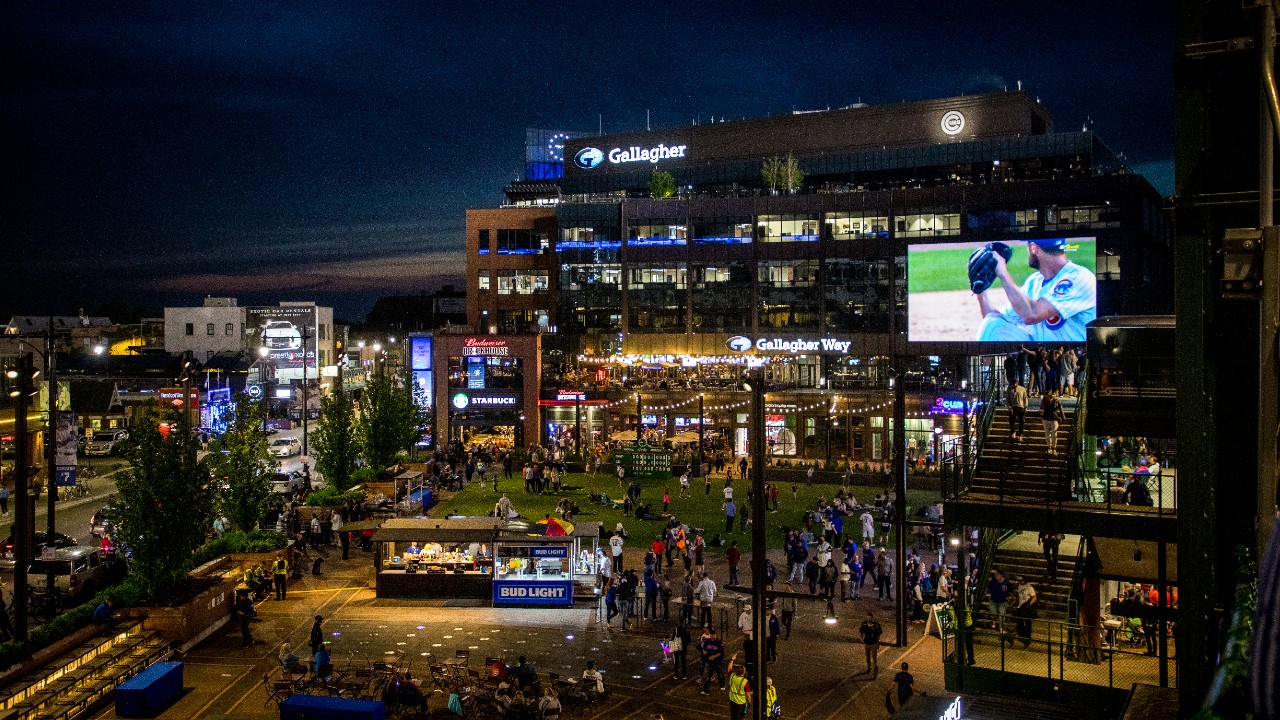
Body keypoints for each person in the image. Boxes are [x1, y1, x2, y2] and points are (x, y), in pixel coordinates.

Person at [973, 237, 1097, 343]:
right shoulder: (1034, 282)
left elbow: (1032, 314)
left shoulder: (1079, 277)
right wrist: (980, 291)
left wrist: (1003, 273)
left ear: (1034, 248)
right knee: (992, 324)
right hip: (1044, 358)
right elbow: (996, 322)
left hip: (1074, 360)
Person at [1012, 576, 1038, 648]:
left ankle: (1027, 637)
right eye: (1019, 581)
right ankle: (1022, 635)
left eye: (1021, 581)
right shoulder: (1019, 586)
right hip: (1020, 606)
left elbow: (1034, 597)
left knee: (1027, 622)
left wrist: (1029, 605)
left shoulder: (1029, 587)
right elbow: (1019, 596)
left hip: (1026, 607)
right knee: (1019, 620)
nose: (1019, 582)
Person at [700, 628, 726, 695]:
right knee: (707, 676)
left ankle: (722, 685)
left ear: (716, 635)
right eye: (711, 634)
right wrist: (705, 652)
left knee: (720, 675)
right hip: (709, 662)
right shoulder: (707, 641)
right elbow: (704, 649)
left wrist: (714, 656)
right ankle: (706, 690)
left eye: (713, 635)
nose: (712, 636)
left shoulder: (719, 643)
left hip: (717, 662)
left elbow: (721, 653)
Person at [1040, 390, 1067, 455]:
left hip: (1054, 418)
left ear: (1050, 396)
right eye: (1045, 397)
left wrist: (1063, 418)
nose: (1046, 398)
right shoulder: (1044, 401)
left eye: (1047, 397)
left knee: (1054, 433)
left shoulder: (1056, 401)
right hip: (1046, 418)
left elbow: (1061, 410)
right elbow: (1041, 408)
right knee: (1047, 433)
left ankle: (1053, 448)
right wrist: (1041, 411)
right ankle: (1048, 447)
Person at [726, 653, 752, 720]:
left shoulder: (732, 676)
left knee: (733, 715)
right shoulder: (745, 682)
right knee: (739, 717)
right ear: (743, 672)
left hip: (732, 699)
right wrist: (749, 702)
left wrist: (732, 659)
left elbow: (729, 668)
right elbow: (748, 695)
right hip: (740, 703)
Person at [859, 612, 883, 677]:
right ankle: (869, 666)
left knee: (874, 657)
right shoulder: (864, 624)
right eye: (868, 618)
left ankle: (875, 670)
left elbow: (879, 635)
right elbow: (861, 632)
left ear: (872, 618)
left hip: (873, 644)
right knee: (867, 656)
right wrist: (861, 639)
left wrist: (877, 642)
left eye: (870, 618)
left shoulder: (876, 625)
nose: (869, 619)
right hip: (867, 643)